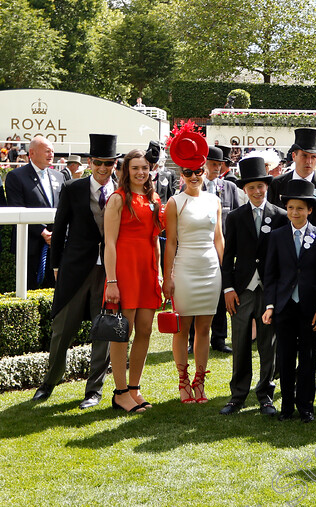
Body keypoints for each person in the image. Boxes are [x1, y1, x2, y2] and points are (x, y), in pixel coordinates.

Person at [31, 134, 119, 409]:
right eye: (99, 163)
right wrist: (56, 265)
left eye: (109, 163)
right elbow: (59, 230)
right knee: (61, 330)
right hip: (74, 269)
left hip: (108, 273)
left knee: (103, 332)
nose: (103, 168)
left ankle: (94, 391)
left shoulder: (122, 192)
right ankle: (48, 383)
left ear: (115, 164)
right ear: (90, 162)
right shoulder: (72, 188)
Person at [219, 157, 289, 416]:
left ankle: (266, 395)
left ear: (267, 186)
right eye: (251, 188)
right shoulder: (236, 217)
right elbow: (228, 257)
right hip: (242, 288)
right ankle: (237, 395)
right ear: (244, 190)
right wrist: (228, 289)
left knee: (267, 343)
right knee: (239, 342)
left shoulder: (280, 216)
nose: (257, 192)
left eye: (261, 186)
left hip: (268, 289)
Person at [262, 179, 316, 423]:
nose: (295, 212)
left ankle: (306, 405)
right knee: (284, 355)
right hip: (284, 307)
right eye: (291, 208)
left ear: (310, 210)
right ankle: (287, 407)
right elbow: (270, 275)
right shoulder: (277, 236)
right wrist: (270, 305)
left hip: (309, 307)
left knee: (308, 356)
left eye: (300, 208)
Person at [163, 127, 223, 404]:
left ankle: (200, 382)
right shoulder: (174, 202)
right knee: (182, 328)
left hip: (210, 271)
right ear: (180, 175)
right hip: (184, 270)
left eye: (198, 170)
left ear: (205, 170)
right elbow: (171, 243)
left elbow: (218, 239)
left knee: (205, 329)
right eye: (188, 172)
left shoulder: (215, 200)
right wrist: (168, 277)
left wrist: (224, 274)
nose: (194, 176)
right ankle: (183, 381)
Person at [267, 128, 316, 344]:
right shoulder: (278, 184)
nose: (309, 161)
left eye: (313, 157)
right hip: (285, 254)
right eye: (304, 156)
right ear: (294, 156)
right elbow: (273, 220)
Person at [103, 148, 164, 413]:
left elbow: (156, 240)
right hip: (124, 271)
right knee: (121, 333)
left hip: (148, 270)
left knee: (146, 330)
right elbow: (109, 242)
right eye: (135, 168)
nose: (141, 172)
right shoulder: (118, 199)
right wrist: (112, 280)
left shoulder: (154, 198)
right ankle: (119, 392)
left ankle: (135, 388)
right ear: (126, 171)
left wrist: (160, 273)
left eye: (145, 168)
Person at [193, 145, 240, 354]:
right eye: (213, 164)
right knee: (197, 294)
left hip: (223, 249)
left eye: (220, 165)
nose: (217, 169)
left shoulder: (229, 187)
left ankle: (219, 338)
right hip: (199, 249)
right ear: (204, 165)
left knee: (222, 293)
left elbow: (237, 217)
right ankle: (192, 338)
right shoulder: (194, 186)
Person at [4, 135, 63, 289]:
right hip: (29, 246)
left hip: (56, 245)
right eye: (47, 151)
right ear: (32, 153)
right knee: (30, 288)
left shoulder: (60, 176)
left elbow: (65, 208)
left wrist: (57, 234)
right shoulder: (16, 176)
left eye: (52, 151)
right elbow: (16, 208)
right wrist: (43, 232)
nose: (51, 155)